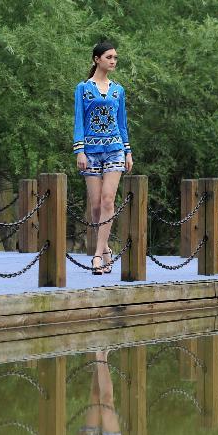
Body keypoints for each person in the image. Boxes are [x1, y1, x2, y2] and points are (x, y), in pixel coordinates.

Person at [73, 41, 133, 274]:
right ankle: (106, 248)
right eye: (109, 57)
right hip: (90, 151)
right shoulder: (83, 88)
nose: (113, 61)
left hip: (115, 149)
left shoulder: (118, 90)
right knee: (96, 206)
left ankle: (97, 256)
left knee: (108, 200)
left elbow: (122, 123)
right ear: (97, 59)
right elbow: (79, 120)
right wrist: (80, 150)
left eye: (115, 58)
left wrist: (128, 151)